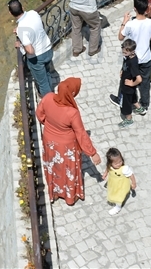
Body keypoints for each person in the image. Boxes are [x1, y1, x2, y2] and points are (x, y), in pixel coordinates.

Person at [36, 77, 102, 205]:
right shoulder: (72, 113)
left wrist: (49, 125)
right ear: (72, 93)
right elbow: (81, 134)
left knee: (53, 166)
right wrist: (92, 153)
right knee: (68, 170)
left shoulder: (48, 97)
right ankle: (70, 197)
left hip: (49, 141)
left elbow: (39, 114)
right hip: (66, 147)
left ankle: (55, 193)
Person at [117, 0, 151, 113]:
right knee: (145, 83)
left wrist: (124, 21)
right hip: (146, 59)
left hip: (132, 59)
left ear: (135, 8)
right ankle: (144, 104)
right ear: (146, 8)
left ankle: (122, 99)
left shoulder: (130, 24)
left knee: (126, 79)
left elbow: (120, 37)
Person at [9, 0, 53, 97]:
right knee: (47, 73)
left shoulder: (21, 29)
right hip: (48, 49)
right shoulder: (33, 13)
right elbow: (35, 27)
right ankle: (51, 92)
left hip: (38, 58)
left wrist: (20, 45)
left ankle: (49, 101)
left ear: (11, 13)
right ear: (22, 7)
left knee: (43, 83)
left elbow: (30, 50)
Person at [116, 39, 142, 128]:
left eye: (125, 52)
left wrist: (131, 84)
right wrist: (122, 70)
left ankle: (129, 119)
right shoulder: (129, 56)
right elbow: (125, 62)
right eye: (123, 51)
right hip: (129, 87)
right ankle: (139, 108)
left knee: (126, 104)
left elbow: (139, 79)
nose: (123, 54)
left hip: (127, 88)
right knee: (133, 98)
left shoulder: (133, 63)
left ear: (132, 52)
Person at [104, 147, 137, 215]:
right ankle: (115, 201)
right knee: (113, 193)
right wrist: (105, 174)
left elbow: (131, 175)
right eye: (116, 163)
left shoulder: (124, 169)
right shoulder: (110, 166)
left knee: (119, 197)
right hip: (113, 184)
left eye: (120, 161)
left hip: (122, 186)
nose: (119, 164)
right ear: (110, 163)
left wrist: (134, 183)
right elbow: (108, 168)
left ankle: (118, 207)